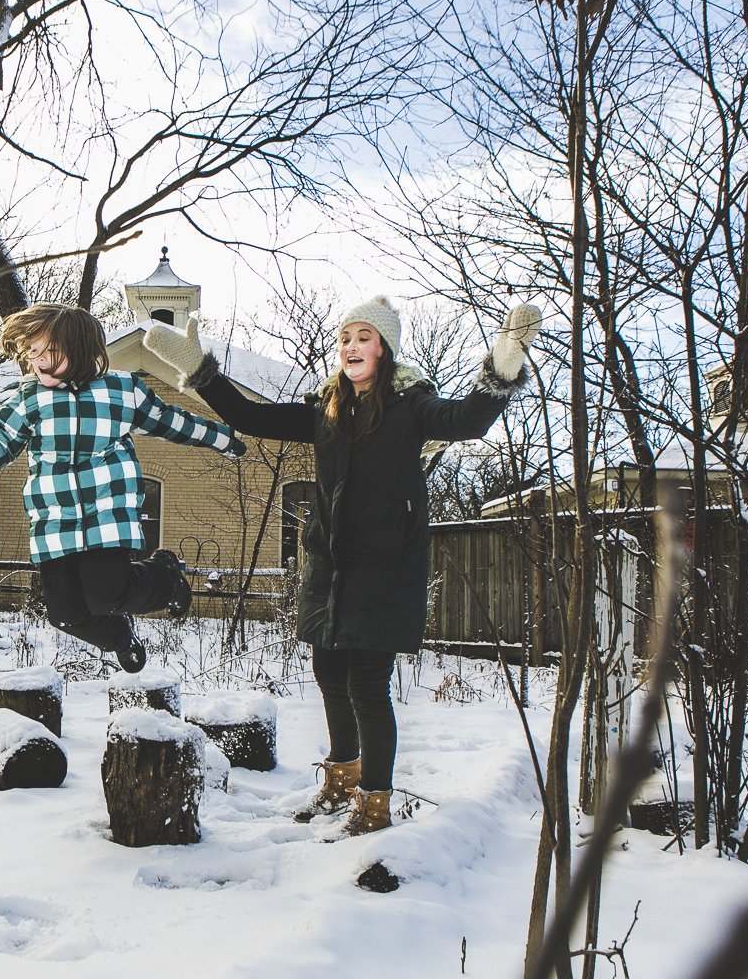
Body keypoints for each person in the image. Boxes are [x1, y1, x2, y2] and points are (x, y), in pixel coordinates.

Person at [144, 295, 538, 835]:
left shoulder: (410, 406)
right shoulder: (326, 411)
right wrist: (201, 371)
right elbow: (250, 417)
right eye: (345, 338)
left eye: (363, 337)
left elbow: (467, 421)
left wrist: (502, 370)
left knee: (368, 685)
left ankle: (375, 802)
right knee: (329, 672)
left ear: (384, 349)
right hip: (330, 567)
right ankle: (342, 779)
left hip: (386, 569)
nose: (351, 346)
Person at [0, 302, 247, 673]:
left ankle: (166, 575)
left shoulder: (121, 391)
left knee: (108, 594)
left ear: (79, 350)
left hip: (107, 516)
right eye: (34, 351)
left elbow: (171, 422)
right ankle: (120, 638)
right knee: (65, 613)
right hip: (54, 525)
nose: (39, 360)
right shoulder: (30, 400)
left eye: (50, 351)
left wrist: (224, 439)